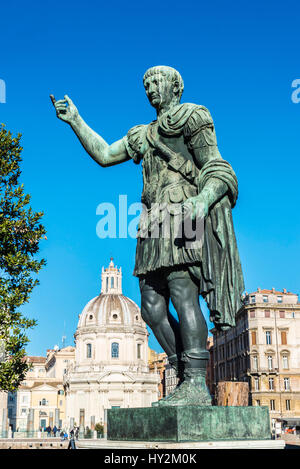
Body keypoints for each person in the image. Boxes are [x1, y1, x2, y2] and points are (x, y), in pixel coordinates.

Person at [50, 66, 244, 405]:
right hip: (152, 221)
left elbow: (215, 164)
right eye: (146, 84)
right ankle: (181, 369)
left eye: (157, 82)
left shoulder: (193, 117)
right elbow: (106, 155)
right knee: (152, 308)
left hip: (183, 211)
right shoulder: (143, 133)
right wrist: (76, 121)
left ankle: (196, 382)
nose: (151, 88)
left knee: (184, 293)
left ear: (175, 87)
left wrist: (203, 199)